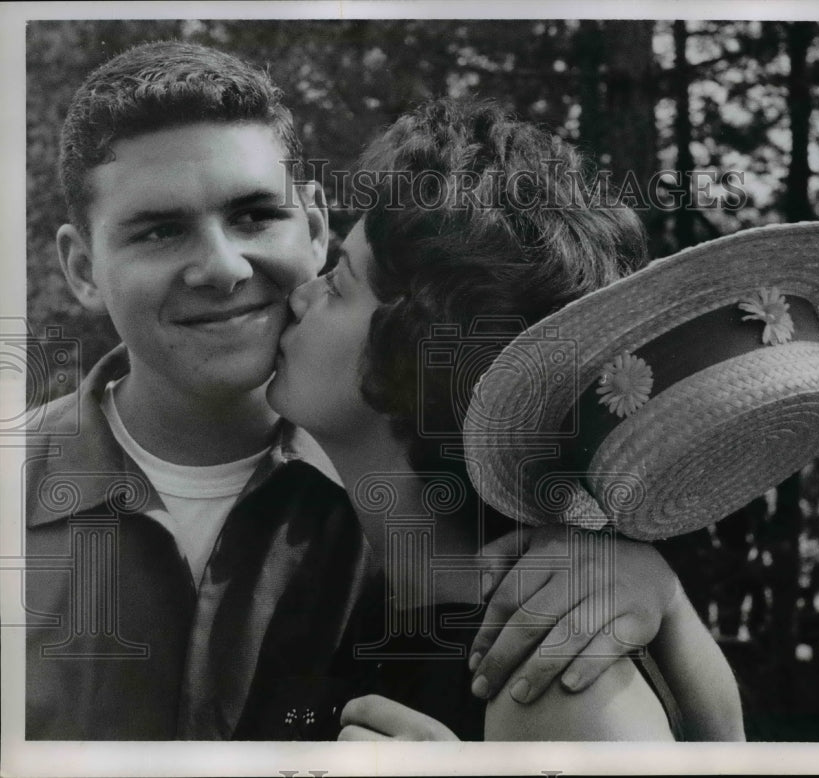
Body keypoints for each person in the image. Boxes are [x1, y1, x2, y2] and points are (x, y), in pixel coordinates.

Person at [25, 41, 740, 741]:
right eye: (157, 231)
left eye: (253, 216)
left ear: (313, 225)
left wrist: (664, 600)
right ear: (83, 268)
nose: (222, 268)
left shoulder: (546, 606)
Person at [267, 98, 746, 740]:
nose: (301, 294)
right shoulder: (373, 601)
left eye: (338, 283)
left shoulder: (555, 674)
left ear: (416, 357)